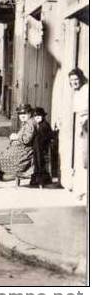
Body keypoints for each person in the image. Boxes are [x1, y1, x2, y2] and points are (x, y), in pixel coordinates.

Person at [0, 103, 36, 184]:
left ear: (29, 113)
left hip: (25, 153)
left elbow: (26, 139)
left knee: (4, 157)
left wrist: (16, 137)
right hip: (22, 149)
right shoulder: (27, 122)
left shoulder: (29, 124)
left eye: (24, 113)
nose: (22, 115)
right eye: (20, 114)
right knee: (4, 154)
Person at [68, 68, 88, 199]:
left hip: (88, 124)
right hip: (82, 125)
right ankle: (82, 190)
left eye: (76, 79)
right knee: (82, 159)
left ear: (81, 78)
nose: (74, 82)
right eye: (72, 80)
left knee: (86, 158)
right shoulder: (77, 91)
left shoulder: (87, 90)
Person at [30, 107, 53, 187]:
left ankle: (40, 176)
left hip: (43, 146)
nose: (37, 118)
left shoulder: (45, 125)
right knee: (36, 142)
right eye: (36, 117)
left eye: (39, 116)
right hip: (38, 146)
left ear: (43, 116)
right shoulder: (37, 125)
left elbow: (48, 136)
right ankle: (37, 175)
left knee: (37, 142)